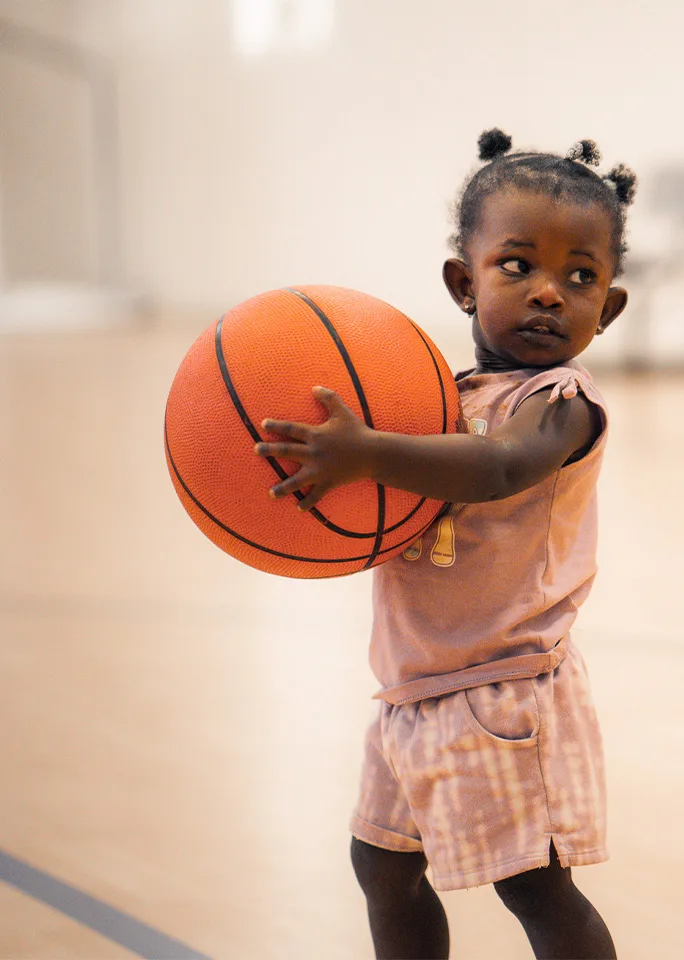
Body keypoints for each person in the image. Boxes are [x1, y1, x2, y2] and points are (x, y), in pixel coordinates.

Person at [253, 129, 633, 957]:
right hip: (415, 686)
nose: (547, 294)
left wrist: (364, 452)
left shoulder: (562, 401)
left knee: (533, 883)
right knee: (382, 864)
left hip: (504, 690)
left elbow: (498, 467)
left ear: (607, 309)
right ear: (464, 283)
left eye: (580, 277)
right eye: (517, 266)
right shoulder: (438, 396)